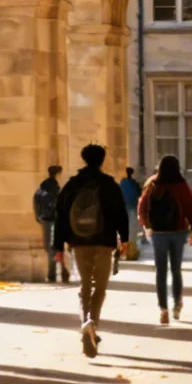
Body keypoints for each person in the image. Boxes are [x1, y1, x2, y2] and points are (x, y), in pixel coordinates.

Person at [53, 144, 129, 357]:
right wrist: (124, 239)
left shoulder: (72, 184)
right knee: (100, 287)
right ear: (102, 160)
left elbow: (60, 215)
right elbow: (120, 213)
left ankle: (85, 320)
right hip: (104, 241)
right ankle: (92, 322)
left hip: (79, 241)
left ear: (84, 159)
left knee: (85, 285)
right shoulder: (109, 185)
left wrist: (58, 246)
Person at [138, 155, 192, 323]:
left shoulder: (152, 184)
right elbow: (190, 206)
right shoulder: (181, 184)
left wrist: (147, 226)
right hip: (178, 231)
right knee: (176, 270)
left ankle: (163, 309)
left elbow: (142, 207)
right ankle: (177, 304)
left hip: (158, 233)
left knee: (161, 271)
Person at [33, 165, 68, 283]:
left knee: (50, 247)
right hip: (56, 220)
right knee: (56, 247)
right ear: (58, 174)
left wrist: (38, 217)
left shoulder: (41, 188)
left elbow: (36, 202)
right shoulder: (56, 189)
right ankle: (60, 271)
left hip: (45, 220)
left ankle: (53, 273)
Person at [120, 167, 143, 261]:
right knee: (132, 232)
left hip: (124, 209)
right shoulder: (134, 183)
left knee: (124, 232)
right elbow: (140, 194)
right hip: (132, 208)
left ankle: (124, 252)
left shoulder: (122, 183)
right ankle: (131, 252)